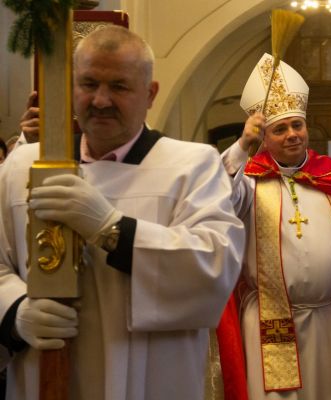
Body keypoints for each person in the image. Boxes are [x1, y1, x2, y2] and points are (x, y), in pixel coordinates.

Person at [0, 25, 245, 400]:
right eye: (88, 84)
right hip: (43, 375)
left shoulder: (192, 165)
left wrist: (111, 228)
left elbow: (215, 266)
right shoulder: (22, 166)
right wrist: (14, 311)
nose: (100, 100)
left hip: (155, 381)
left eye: (119, 86)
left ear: (150, 94)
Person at [221, 53, 331, 400]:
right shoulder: (249, 181)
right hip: (268, 320)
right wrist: (241, 146)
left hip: (329, 321)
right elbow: (216, 199)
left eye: (298, 125)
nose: (292, 135)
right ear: (263, 137)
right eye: (280, 129)